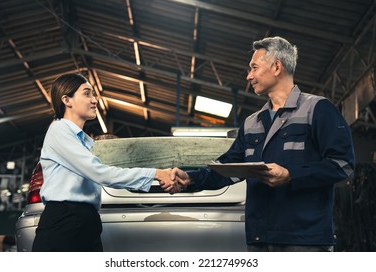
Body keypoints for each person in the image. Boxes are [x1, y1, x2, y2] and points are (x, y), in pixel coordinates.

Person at [170, 36, 355, 252]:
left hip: (304, 241)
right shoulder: (252, 123)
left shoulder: (318, 109)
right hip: (259, 239)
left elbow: (343, 165)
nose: (249, 76)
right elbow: (228, 169)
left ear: (277, 67)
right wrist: (190, 177)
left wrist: (290, 175)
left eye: (254, 68)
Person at [32, 73, 181, 252]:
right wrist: (156, 173)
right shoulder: (59, 129)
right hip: (63, 220)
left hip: (87, 220)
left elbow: (114, 171)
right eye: (87, 94)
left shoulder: (87, 142)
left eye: (93, 94)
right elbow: (100, 173)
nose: (94, 100)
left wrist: (162, 174)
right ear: (67, 99)